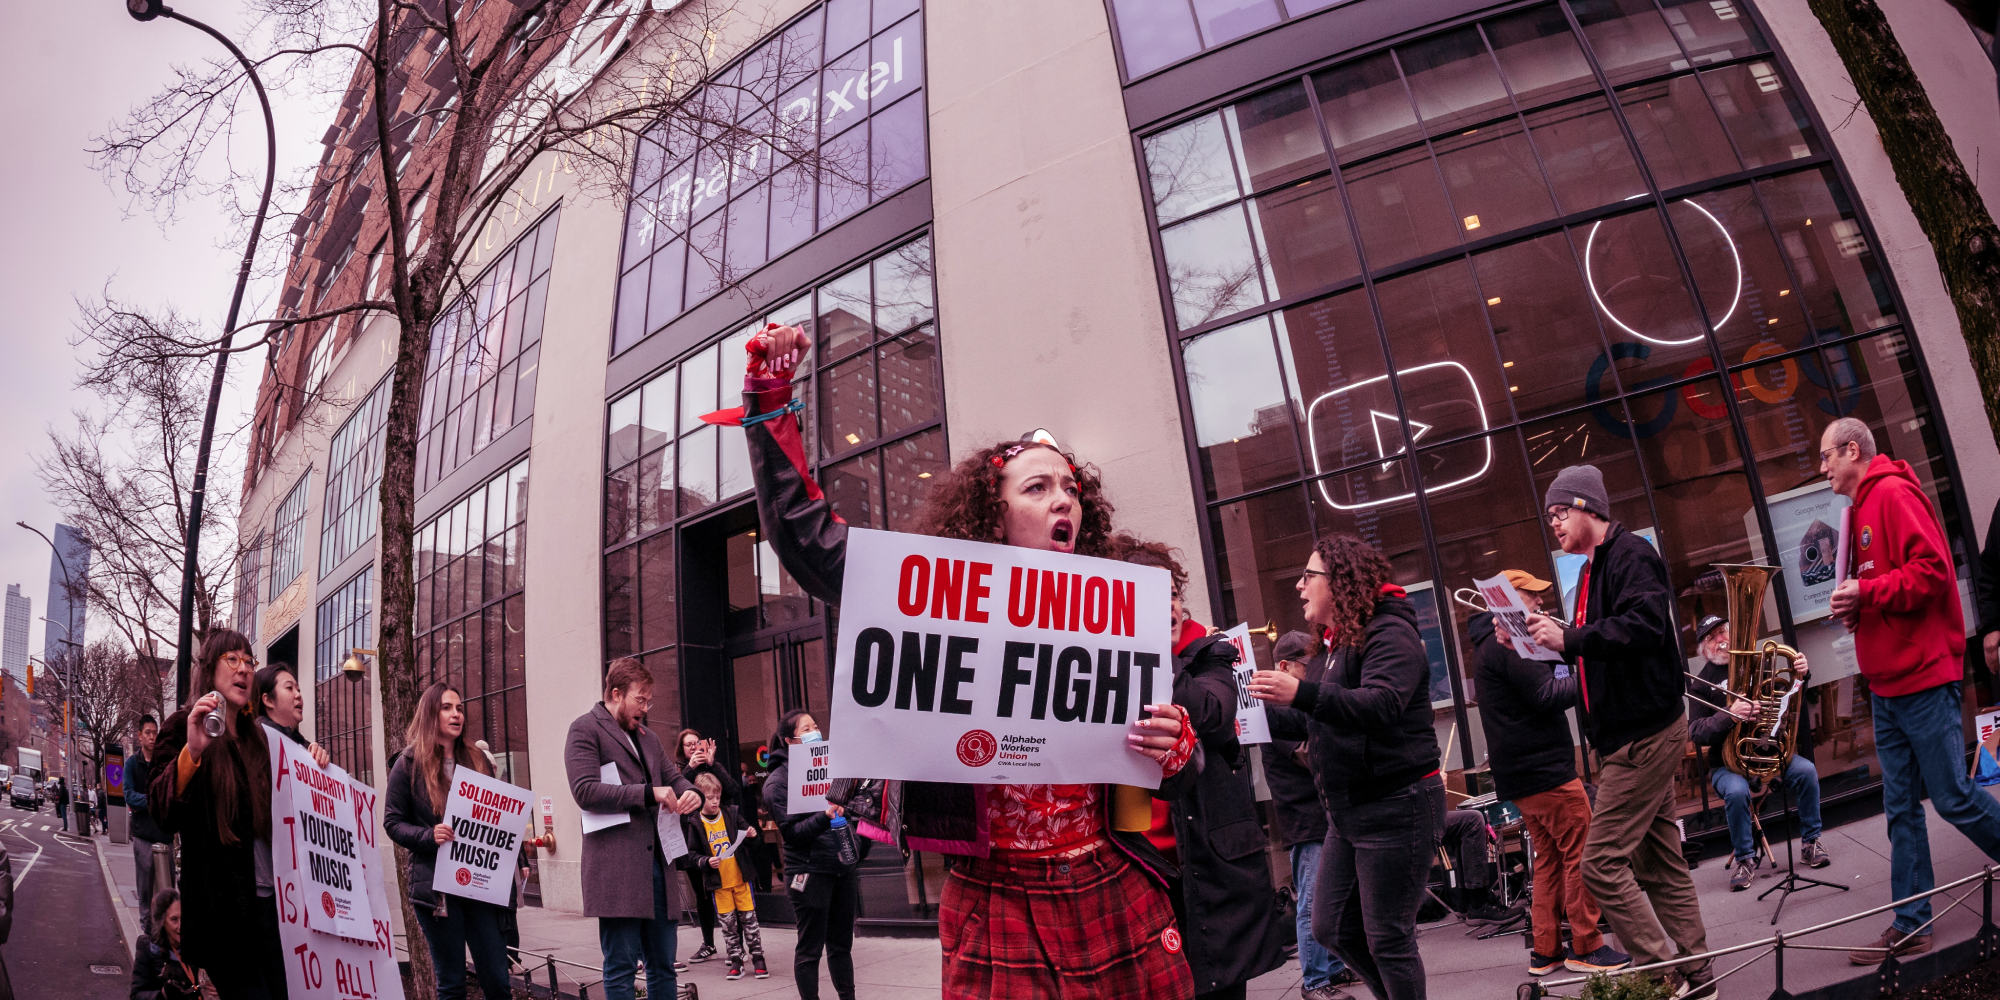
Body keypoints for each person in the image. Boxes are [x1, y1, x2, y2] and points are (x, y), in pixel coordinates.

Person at [738, 324, 1201, 998]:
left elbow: (1175, 769)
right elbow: (807, 541)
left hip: (1114, 883)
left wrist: (1177, 746)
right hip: (998, 900)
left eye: (1070, 488)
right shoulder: (935, 597)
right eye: (1037, 487)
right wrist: (771, 395)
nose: (1063, 499)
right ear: (994, 514)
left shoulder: (1117, 606)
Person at [1812, 419, 2000, 964]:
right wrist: (1858, 607)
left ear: (1852, 450)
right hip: (1887, 684)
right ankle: (1912, 923)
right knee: (1900, 808)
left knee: (1952, 797)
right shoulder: (1858, 510)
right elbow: (1882, 588)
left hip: (1923, 679)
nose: (1822, 468)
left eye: (1826, 456)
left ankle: (1913, 920)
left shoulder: (1893, 493)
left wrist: (1867, 593)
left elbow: (1934, 571)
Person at [1524, 465, 1711, 997]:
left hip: (1642, 737)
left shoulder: (1631, 556)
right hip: (1627, 738)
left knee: (1601, 864)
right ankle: (1701, 976)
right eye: (1550, 515)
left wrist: (1570, 639)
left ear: (1587, 507)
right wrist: (1549, 638)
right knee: (1660, 864)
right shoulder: (1591, 569)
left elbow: (1644, 627)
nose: (1554, 523)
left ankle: (1662, 972)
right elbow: (1601, 642)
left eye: (1560, 512)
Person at [1248, 533, 1446, 1000]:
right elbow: (1313, 716)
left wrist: (1302, 693)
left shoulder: (1390, 631)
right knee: (1332, 928)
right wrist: (1248, 712)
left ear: (1339, 581)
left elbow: (1381, 703)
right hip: (1350, 810)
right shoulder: (1334, 645)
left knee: (1388, 939)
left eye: (1308, 576)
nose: (1299, 586)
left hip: (1396, 805)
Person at [1109, 535, 1286, 1000]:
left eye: (1170, 594)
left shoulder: (1211, 653)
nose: (1166, 606)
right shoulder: (1106, 659)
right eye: (1148, 597)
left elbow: (1211, 713)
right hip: (1138, 865)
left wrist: (1154, 653)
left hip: (1209, 867)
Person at [1468, 569, 1625, 976]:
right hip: (1544, 770)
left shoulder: (1501, 641)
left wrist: (1567, 649)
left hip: (1524, 773)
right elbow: (1547, 694)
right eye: (1532, 596)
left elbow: (1550, 679)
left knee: (1550, 859)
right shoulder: (1508, 643)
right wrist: (1589, 672)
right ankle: (1587, 946)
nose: (1541, 602)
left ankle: (1546, 950)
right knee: (1582, 852)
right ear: (1509, 598)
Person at [147, 628, 288, 1000]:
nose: (244, 669)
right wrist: (192, 753)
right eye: (233, 659)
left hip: (272, 910)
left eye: (249, 661)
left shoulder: (259, 739)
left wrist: (314, 759)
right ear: (209, 668)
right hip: (223, 918)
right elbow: (161, 812)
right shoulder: (183, 726)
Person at [564, 658, 701, 1000]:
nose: (645, 708)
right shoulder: (584, 729)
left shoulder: (649, 738)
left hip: (659, 868)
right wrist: (648, 794)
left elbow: (674, 778)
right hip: (617, 871)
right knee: (621, 968)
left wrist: (693, 793)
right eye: (640, 699)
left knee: (663, 966)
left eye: (649, 701)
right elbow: (585, 791)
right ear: (616, 693)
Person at [1684, 616, 1830, 892]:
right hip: (1727, 765)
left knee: (1806, 771)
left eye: (1723, 631)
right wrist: (1730, 715)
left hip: (1767, 754)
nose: (1721, 640)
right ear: (1703, 648)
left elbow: (1786, 697)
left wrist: (1801, 675)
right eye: (1712, 637)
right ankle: (1745, 860)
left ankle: (1811, 843)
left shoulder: (1755, 665)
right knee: (1736, 791)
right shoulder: (1700, 684)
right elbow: (1697, 732)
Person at [387, 683, 513, 1000]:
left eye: (459, 708)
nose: (456, 714)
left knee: (498, 981)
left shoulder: (477, 759)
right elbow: (392, 822)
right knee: (453, 984)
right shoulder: (407, 764)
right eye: (446, 708)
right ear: (431, 713)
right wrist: (428, 836)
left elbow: (496, 814)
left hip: (480, 884)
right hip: (436, 891)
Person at [1267, 631, 1361, 1000]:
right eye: (1309, 666)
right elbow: (1311, 753)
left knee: (1332, 899)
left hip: (1322, 813)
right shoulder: (1272, 709)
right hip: (1303, 817)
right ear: (1285, 667)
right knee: (1313, 901)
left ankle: (1333, 968)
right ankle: (1315, 982)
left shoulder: (1298, 703)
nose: (1317, 672)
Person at [763, 710, 864, 1000]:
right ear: (789, 740)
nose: (815, 733)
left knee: (841, 946)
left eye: (816, 726)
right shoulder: (778, 782)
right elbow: (792, 833)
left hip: (841, 866)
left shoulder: (830, 769)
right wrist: (824, 816)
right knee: (810, 950)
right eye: (806, 729)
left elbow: (852, 810)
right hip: (809, 872)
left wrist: (855, 844)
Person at [685, 771, 768, 981]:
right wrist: (705, 861)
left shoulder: (731, 813)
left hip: (740, 878)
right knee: (728, 926)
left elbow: (750, 839)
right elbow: (691, 854)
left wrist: (752, 835)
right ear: (699, 798)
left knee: (750, 921)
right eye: (710, 798)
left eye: (717, 797)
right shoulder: (695, 822)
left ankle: (758, 958)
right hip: (718, 883)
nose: (715, 801)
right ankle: (736, 959)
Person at [676, 728, 737, 964]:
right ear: (682, 749)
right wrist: (690, 768)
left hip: (720, 837)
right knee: (702, 895)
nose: (693, 748)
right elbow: (676, 795)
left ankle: (736, 947)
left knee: (730, 889)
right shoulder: (678, 771)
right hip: (695, 840)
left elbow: (732, 791)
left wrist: (713, 765)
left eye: (696, 743)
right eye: (688, 745)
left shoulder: (712, 767)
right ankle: (708, 944)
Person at [131, 890, 219, 1000]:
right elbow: (136, 995)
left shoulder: (198, 944)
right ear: (162, 922)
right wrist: (163, 995)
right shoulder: (148, 947)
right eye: (174, 919)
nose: (181, 925)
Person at [127, 715, 168, 937]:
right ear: (139, 736)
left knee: (167, 891)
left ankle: (165, 936)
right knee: (145, 891)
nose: (153, 737)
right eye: (148, 733)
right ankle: (148, 936)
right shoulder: (132, 764)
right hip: (143, 836)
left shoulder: (165, 763)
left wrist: (146, 801)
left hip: (164, 834)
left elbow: (171, 793)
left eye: (155, 733)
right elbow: (129, 796)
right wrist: (153, 800)